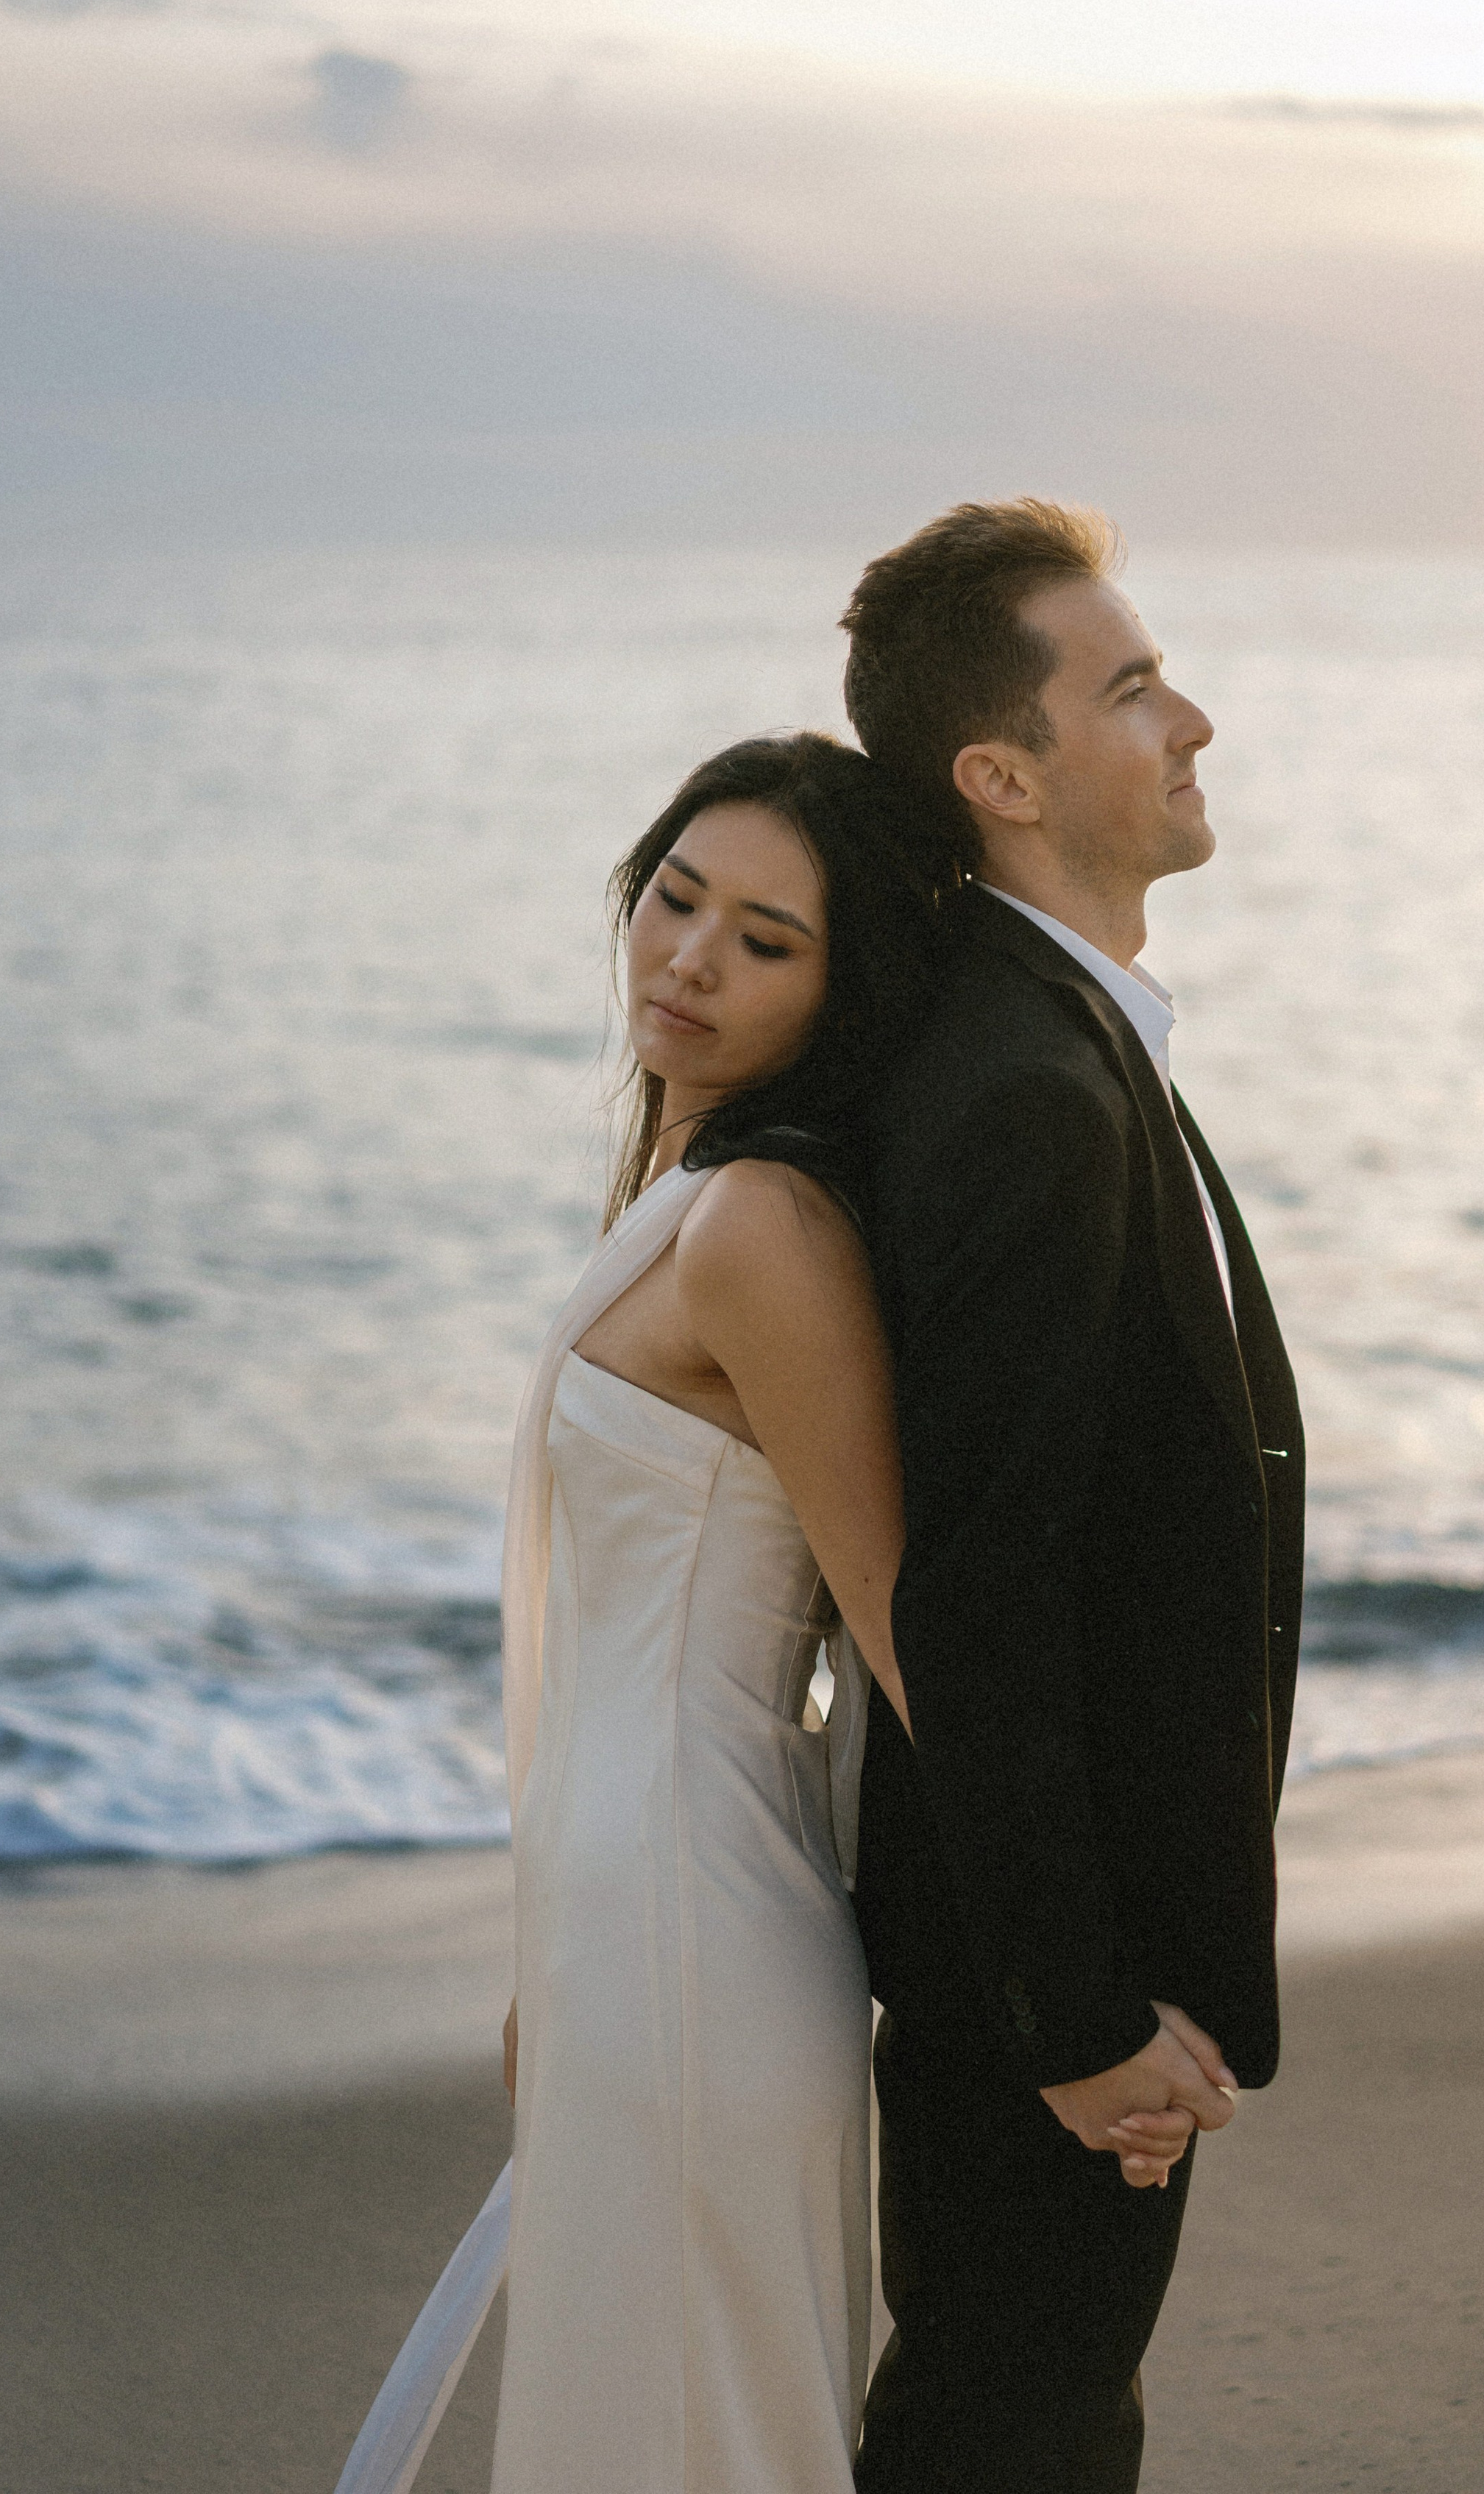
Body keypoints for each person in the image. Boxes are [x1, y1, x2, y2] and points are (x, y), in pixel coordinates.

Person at [330, 726, 1193, 2494]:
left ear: (843, 987)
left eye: (766, 939)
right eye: (673, 898)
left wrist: (1074, 2012)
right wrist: (545, 1968)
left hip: (697, 1927)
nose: (689, 960)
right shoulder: (692, 1195)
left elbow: (902, 1620)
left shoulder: (761, 1231)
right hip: (627, 1925)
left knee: (693, 2433)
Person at [840, 500, 1306, 2494]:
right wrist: (1076, 2017)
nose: (1191, 719)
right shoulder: (1022, 1086)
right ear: (1002, 776)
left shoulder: (1051, 1038)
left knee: (1031, 2419)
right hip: (1042, 1976)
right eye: (1130, 688)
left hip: (1080, 1948)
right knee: (1002, 2437)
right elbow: (980, 1592)